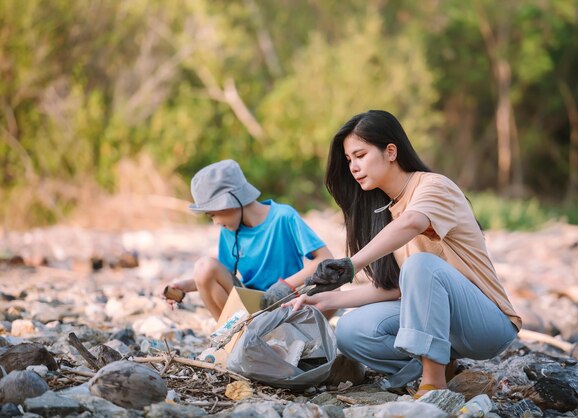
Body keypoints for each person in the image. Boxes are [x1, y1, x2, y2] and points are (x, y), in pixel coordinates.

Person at [284, 110, 521, 397]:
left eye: (360, 155)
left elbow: (413, 223)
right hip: (441, 324)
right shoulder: (385, 209)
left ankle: (433, 385)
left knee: (422, 265)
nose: (353, 167)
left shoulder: (434, 187)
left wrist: (350, 265)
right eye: (349, 160)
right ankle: (437, 363)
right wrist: (325, 299)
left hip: (486, 325)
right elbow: (396, 288)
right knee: (350, 330)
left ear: (391, 152)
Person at [165, 159, 332, 320]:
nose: (215, 222)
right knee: (203, 267)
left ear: (230, 202)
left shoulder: (283, 217)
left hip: (288, 303)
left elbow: (326, 258)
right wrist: (186, 286)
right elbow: (222, 277)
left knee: (334, 289)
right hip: (251, 308)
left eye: (213, 214)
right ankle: (231, 336)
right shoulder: (230, 231)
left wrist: (284, 286)